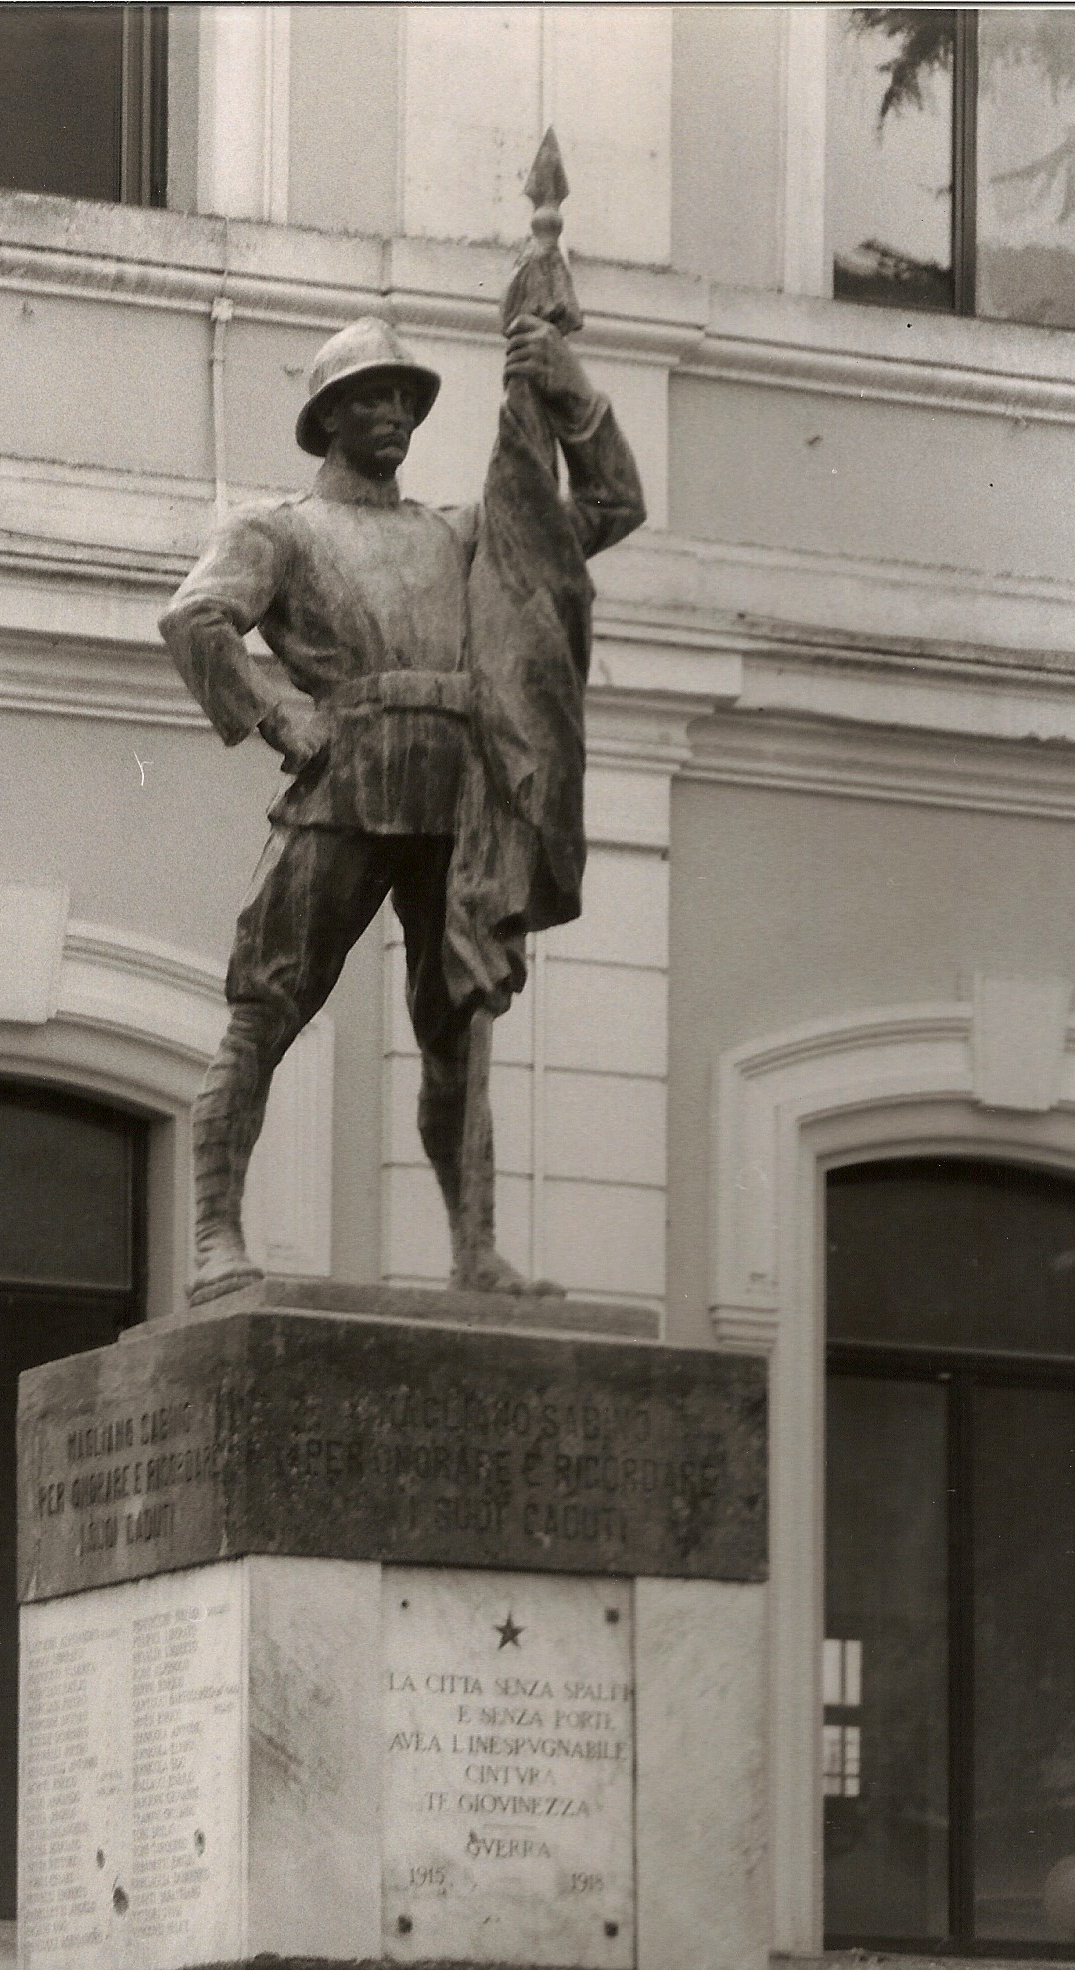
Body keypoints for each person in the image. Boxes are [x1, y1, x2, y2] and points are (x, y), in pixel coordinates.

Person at [160, 311, 644, 1299]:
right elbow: (195, 616)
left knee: (456, 1029)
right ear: (328, 416)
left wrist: (568, 390)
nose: (392, 414)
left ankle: (474, 1246)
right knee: (266, 1010)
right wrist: (276, 716)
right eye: (370, 397)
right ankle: (217, 1232)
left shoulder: (461, 534)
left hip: (457, 799)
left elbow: (606, 507)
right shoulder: (282, 529)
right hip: (347, 782)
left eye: (404, 398)